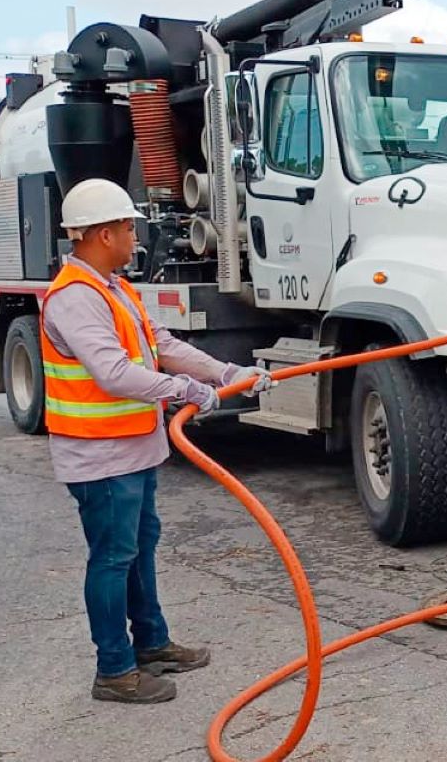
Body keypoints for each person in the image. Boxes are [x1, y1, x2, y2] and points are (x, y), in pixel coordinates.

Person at [39, 178, 274, 704]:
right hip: (100, 455)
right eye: (126, 227)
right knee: (112, 556)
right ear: (101, 234)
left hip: (132, 449)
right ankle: (115, 670)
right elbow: (114, 373)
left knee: (138, 548)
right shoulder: (76, 298)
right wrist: (185, 390)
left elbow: (160, 344)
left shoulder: (113, 288)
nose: (133, 236)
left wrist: (224, 371)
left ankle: (151, 644)